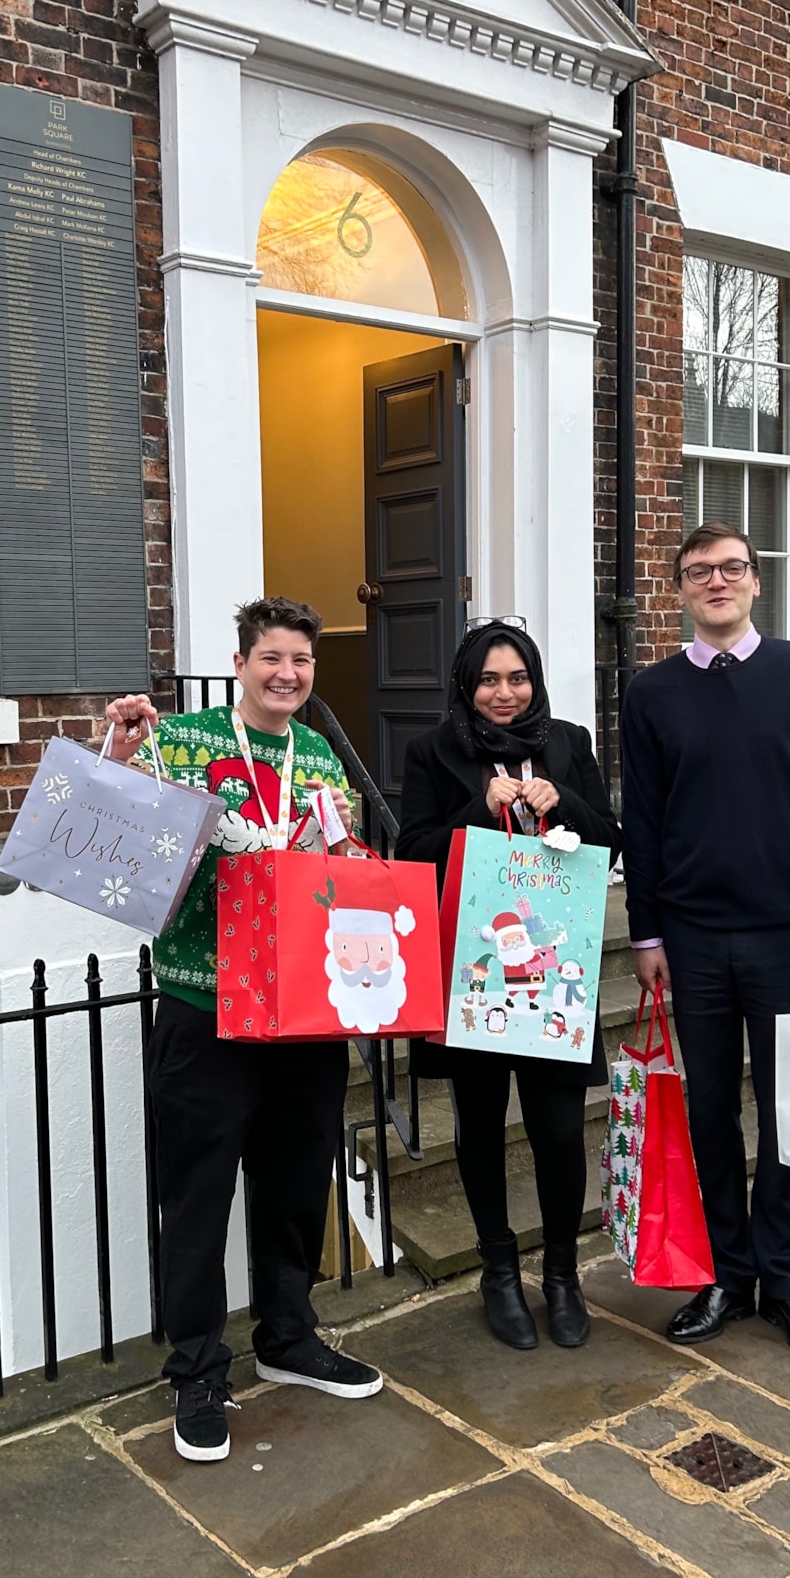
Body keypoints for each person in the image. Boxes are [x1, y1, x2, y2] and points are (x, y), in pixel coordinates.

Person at [103, 596, 383, 1464]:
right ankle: (195, 1367)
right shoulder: (182, 740)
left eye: (301, 660)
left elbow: (341, 868)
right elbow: (120, 822)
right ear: (241, 661)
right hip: (204, 1000)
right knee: (196, 1193)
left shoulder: (326, 760)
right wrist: (119, 748)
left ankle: (288, 1337)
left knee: (298, 1179)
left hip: (303, 1009)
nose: (288, 674)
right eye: (272, 657)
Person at [621, 523, 790, 1367]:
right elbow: (644, 824)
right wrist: (645, 929)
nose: (716, 582)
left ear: (755, 582)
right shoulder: (651, 692)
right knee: (708, 1113)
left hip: (789, 931)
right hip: (690, 937)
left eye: (730, 568)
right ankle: (726, 1273)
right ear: (682, 590)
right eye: (699, 572)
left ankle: (787, 1281)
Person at [396, 621, 621, 1348]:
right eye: (489, 679)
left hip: (555, 972)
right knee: (482, 1124)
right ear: (467, 685)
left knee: (558, 1128)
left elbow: (608, 837)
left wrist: (564, 805)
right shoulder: (434, 751)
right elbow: (416, 853)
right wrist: (479, 809)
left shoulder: (568, 740)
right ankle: (498, 1270)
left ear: (535, 682)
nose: (504, 692)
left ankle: (561, 1274)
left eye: (516, 677)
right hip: (477, 970)